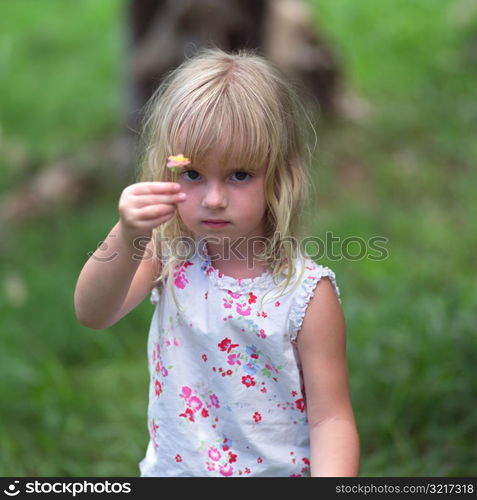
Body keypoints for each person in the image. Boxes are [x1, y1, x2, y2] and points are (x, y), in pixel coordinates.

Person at [74, 48, 360, 477]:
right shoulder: (167, 254)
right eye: (192, 174)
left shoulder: (305, 295)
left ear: (280, 176)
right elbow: (93, 313)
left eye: (239, 175)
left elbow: (331, 419)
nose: (213, 199)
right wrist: (128, 233)